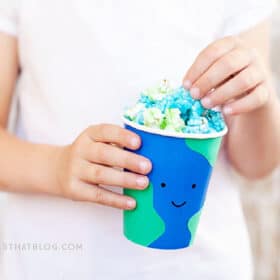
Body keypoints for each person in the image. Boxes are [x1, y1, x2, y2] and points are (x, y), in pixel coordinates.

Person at [0, 0, 279, 279]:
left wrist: (258, 99)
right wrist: (56, 168)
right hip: (49, 264)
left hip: (199, 267)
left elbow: (257, 165)